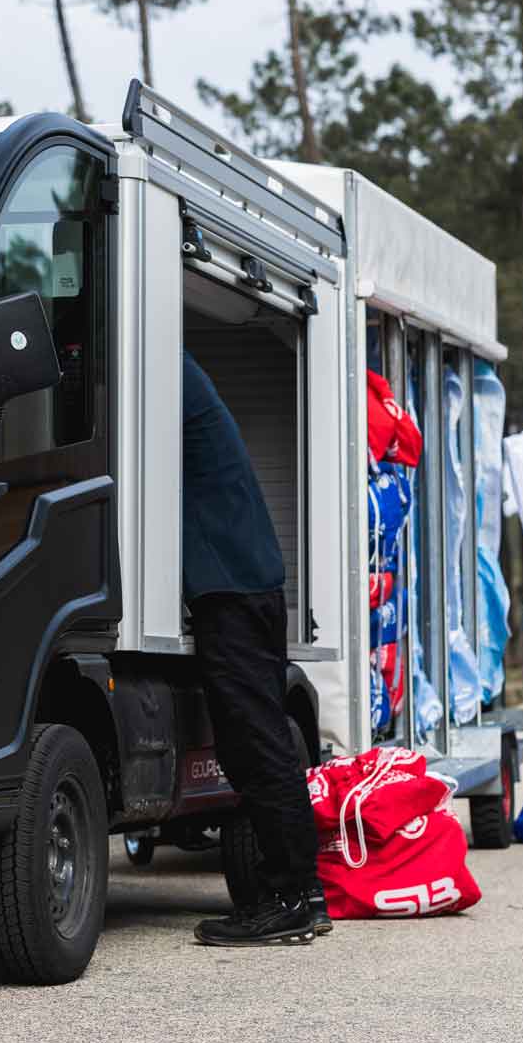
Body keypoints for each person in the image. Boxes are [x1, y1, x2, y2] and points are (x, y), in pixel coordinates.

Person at [182, 351, 326, 945]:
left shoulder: (163, 371)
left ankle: (293, 897)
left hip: (235, 589)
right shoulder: (183, 377)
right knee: (254, 749)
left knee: (259, 748)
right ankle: (297, 896)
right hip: (245, 583)